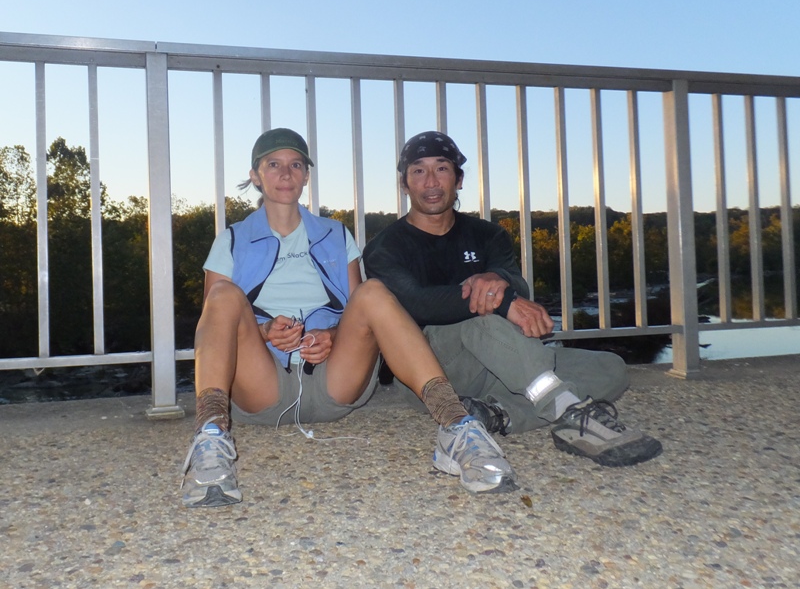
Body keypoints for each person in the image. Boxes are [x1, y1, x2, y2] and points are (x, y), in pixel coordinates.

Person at [181, 128, 518, 507]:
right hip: (260, 386)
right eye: (273, 165)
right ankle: (210, 438)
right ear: (256, 176)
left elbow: (358, 313)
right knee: (224, 294)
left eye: (295, 165)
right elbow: (215, 321)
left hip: (334, 381)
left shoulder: (334, 234)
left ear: (307, 175)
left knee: (372, 292)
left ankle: (456, 426)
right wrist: (263, 332)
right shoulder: (232, 238)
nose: (286, 174)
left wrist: (333, 334)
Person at [363, 131, 662, 469]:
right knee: (481, 314)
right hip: (433, 373)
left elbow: (517, 281)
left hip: (503, 362)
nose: (431, 181)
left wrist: (500, 280)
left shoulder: (487, 234)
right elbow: (418, 303)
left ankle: (496, 415)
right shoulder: (385, 247)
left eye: (442, 169)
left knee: (611, 369)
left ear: (458, 179)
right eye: (418, 171)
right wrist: (503, 301)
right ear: (404, 184)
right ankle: (566, 410)